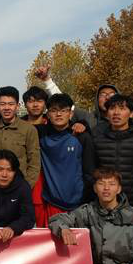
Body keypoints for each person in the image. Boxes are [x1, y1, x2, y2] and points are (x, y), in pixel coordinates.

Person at [33, 94, 95, 227]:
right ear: (48, 114)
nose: (58, 114)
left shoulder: (82, 136)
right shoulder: (40, 134)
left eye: (63, 110)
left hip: (79, 205)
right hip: (52, 203)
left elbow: (89, 172)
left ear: (70, 114)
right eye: (54, 110)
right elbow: (17, 125)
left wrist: (86, 199)